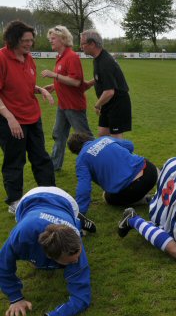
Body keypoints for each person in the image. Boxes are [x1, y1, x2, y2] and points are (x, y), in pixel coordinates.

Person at [0, 187, 91, 316]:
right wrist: (15, 298)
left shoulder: (75, 244)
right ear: (51, 257)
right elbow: (3, 265)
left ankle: (79, 221)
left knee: (74, 230)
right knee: (36, 263)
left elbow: (82, 298)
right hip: (29, 200)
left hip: (66, 201)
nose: (77, 261)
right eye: (69, 262)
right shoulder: (20, 238)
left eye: (78, 256)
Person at [0, 20, 55, 214]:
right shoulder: (2, 58)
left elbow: (25, 84)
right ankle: (14, 201)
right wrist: (10, 118)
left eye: (31, 40)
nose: (29, 44)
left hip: (33, 117)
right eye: (25, 40)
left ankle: (50, 193)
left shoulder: (28, 57)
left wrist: (41, 90)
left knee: (41, 157)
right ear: (13, 39)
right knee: (15, 161)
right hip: (12, 121)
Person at [41, 25, 93, 172]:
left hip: (74, 106)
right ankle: (54, 165)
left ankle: (100, 161)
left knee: (85, 138)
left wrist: (55, 76)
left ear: (63, 39)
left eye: (53, 38)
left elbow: (76, 82)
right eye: (50, 38)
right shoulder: (61, 57)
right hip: (63, 105)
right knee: (58, 134)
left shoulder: (72, 57)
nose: (50, 41)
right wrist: (54, 84)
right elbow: (67, 78)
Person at [67, 133, 158, 214]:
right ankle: (164, 189)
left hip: (133, 189)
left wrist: (80, 212)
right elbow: (130, 145)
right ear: (87, 139)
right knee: (142, 161)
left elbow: (84, 188)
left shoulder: (82, 159)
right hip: (151, 172)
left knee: (106, 196)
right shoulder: (105, 139)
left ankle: (142, 200)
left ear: (75, 151)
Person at [80, 29, 132, 139]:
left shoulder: (105, 61)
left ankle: (121, 156)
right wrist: (90, 83)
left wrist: (98, 104)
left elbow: (109, 92)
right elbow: (103, 77)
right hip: (108, 103)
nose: (81, 47)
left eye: (82, 44)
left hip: (117, 103)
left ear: (92, 44)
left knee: (115, 138)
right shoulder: (99, 58)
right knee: (103, 135)